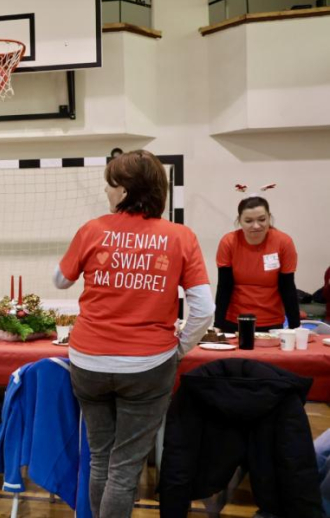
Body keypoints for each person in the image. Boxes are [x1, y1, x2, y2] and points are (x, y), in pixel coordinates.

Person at [53, 150, 214, 517]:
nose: (107, 193)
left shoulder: (92, 229)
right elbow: (204, 310)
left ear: (124, 191)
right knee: (124, 469)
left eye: (110, 186)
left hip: (88, 360)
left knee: (100, 457)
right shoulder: (180, 236)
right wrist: (179, 349)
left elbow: (60, 281)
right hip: (148, 364)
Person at [214, 191, 300, 333]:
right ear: (239, 221)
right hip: (234, 321)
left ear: (269, 218)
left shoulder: (284, 242)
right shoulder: (228, 242)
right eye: (248, 221)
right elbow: (224, 286)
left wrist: (295, 327)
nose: (256, 226)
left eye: (262, 219)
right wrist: (217, 324)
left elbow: (288, 287)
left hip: (272, 323)